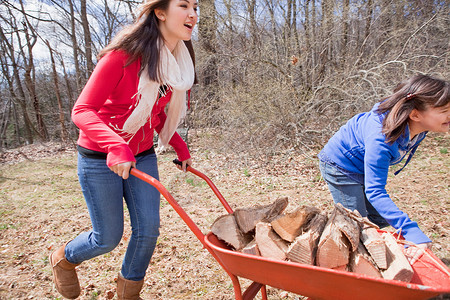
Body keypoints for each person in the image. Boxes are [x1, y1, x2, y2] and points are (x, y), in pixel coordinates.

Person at [49, 0, 198, 299]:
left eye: (196, 6)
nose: (193, 14)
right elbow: (82, 110)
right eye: (184, 5)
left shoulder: (177, 62)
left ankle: (128, 292)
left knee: (148, 231)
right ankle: (63, 258)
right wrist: (116, 146)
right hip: (99, 158)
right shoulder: (122, 57)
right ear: (160, 11)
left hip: (141, 155)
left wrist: (179, 145)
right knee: (107, 238)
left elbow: (154, 113)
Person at [318, 74, 449, 265]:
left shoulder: (415, 121)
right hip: (341, 166)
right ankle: (337, 257)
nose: (449, 115)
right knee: (357, 226)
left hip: (362, 163)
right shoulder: (382, 139)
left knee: (378, 218)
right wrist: (411, 231)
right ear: (415, 114)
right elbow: (375, 191)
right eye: (445, 110)